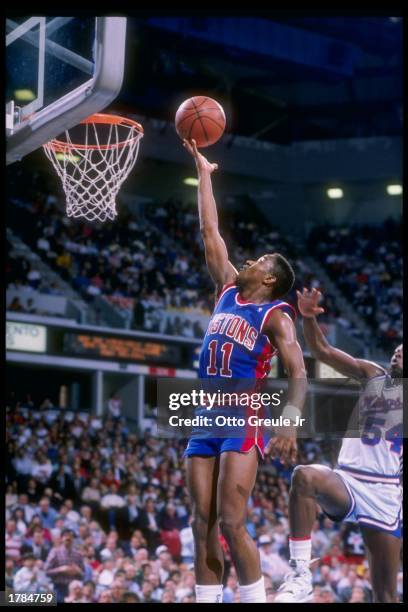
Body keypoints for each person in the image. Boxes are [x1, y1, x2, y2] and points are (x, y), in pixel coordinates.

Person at [182, 139, 307, 603]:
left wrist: (289, 423)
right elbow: (208, 228)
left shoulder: (276, 314)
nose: (249, 261)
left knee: (232, 524)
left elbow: (298, 372)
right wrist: (205, 173)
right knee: (201, 524)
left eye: (258, 261)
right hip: (204, 414)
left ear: (270, 278)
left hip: (242, 417)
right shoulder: (227, 291)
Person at [275, 288, 402, 603]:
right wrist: (307, 318)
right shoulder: (374, 374)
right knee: (305, 476)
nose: (397, 353)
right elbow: (322, 350)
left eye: (404, 352)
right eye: (397, 350)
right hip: (348, 479)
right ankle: (301, 573)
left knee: (385, 594)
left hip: (385, 493)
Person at [44, 528, 85, 603]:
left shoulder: (78, 555)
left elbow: (83, 575)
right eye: (66, 536)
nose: (68, 538)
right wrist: (61, 569)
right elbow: (46, 571)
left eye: (70, 536)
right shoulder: (55, 552)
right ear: (61, 538)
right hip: (59, 587)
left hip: (74, 589)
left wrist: (78, 571)